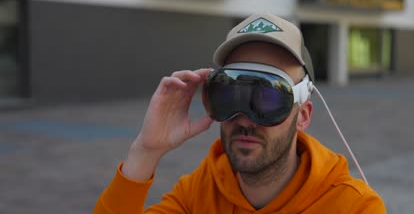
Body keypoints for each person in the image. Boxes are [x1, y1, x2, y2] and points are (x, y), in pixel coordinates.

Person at [93, 14, 386, 213]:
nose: (245, 119)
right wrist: (146, 151)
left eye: (269, 98)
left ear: (304, 116)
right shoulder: (199, 194)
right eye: (229, 94)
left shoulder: (352, 206)